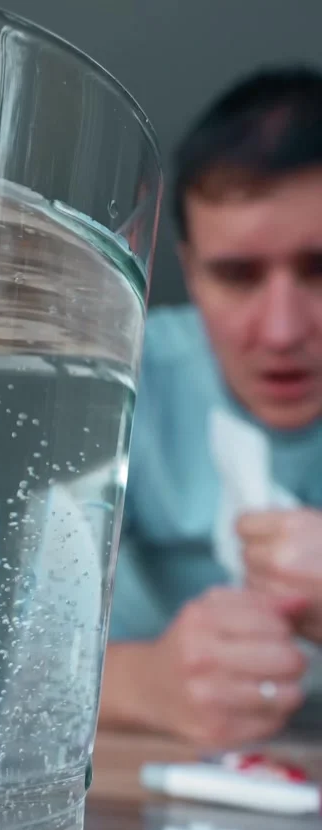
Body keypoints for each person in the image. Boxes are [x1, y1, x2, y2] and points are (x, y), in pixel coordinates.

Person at [100, 64, 322, 750]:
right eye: (237, 275)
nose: (282, 331)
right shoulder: (118, 382)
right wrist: (146, 684)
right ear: (189, 271)